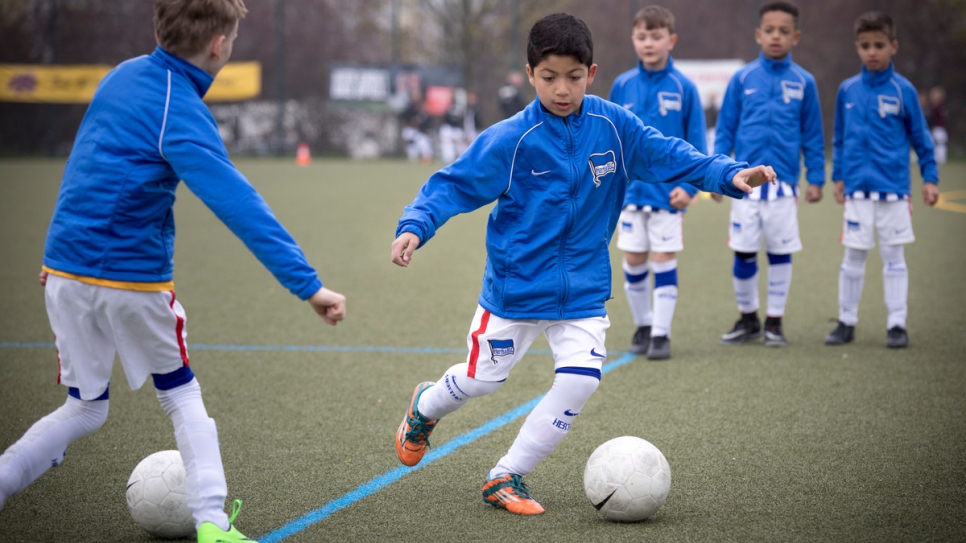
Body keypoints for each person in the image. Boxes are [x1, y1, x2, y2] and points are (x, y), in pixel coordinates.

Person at [390, 12, 776, 516]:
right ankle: (425, 407)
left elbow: (671, 155)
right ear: (530, 75)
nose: (562, 88)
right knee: (482, 380)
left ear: (591, 73)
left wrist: (728, 174)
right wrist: (415, 226)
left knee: (580, 379)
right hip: (516, 291)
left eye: (574, 76)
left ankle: (506, 475)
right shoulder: (511, 138)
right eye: (549, 77)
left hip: (582, 293)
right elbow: (453, 185)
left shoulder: (613, 126)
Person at [0, 1, 347, 542]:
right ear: (219, 45)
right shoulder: (179, 109)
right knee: (182, 395)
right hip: (130, 279)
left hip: (64, 270)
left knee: (85, 408)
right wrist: (308, 285)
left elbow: (86, 164)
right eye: (231, 36)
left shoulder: (121, 77)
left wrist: (61, 257)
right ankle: (212, 524)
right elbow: (238, 203)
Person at [713, 1, 825, 348]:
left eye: (784, 31)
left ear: (796, 37)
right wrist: (717, 173)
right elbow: (725, 129)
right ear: (759, 35)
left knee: (779, 252)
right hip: (743, 184)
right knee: (743, 252)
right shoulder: (743, 78)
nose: (776, 37)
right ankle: (749, 319)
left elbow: (813, 134)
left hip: (784, 187)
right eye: (770, 30)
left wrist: (817, 177)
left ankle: (775, 321)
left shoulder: (804, 82)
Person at [825, 11, 939, 348]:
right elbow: (840, 140)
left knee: (893, 257)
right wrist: (839, 176)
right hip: (858, 193)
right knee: (853, 258)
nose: (871, 52)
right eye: (865, 46)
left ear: (893, 46)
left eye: (879, 45)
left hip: (893, 191)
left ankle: (897, 324)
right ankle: (846, 321)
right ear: (857, 48)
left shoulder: (904, 91)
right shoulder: (847, 90)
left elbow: (922, 139)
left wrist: (929, 178)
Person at [609, 5, 708, 359]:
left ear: (671, 40)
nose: (648, 43)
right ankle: (644, 325)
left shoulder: (684, 87)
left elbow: (697, 142)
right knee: (633, 261)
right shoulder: (622, 85)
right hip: (631, 193)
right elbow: (611, 139)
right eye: (641, 37)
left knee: (663, 258)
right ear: (633, 40)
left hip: (669, 193)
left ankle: (662, 335)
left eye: (656, 36)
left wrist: (693, 186)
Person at [927, 86, 948, 165]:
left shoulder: (938, 107)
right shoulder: (940, 106)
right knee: (937, 144)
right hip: (938, 128)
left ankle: (941, 159)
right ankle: (938, 159)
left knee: (939, 144)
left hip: (939, 127)